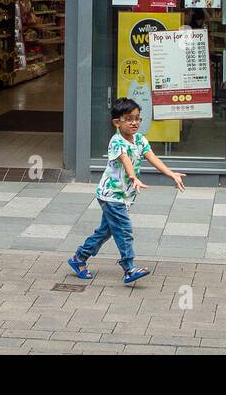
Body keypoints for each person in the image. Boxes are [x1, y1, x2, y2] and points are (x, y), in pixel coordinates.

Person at [66, 97, 186, 285]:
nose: (134, 123)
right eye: (129, 119)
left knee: (105, 232)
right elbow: (125, 160)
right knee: (123, 230)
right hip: (111, 195)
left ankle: (79, 258)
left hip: (124, 195)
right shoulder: (116, 142)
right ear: (117, 122)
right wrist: (134, 177)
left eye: (138, 118)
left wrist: (171, 174)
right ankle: (129, 268)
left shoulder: (140, 139)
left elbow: (153, 158)